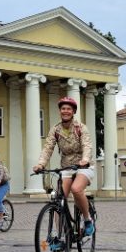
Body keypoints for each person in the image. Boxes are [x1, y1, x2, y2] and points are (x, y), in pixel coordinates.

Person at [33, 97, 96, 237]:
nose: (65, 111)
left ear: (73, 111)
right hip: (67, 167)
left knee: (76, 189)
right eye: (63, 109)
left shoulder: (81, 128)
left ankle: (87, 220)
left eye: (68, 109)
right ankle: (60, 236)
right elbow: (48, 148)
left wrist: (85, 159)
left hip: (83, 166)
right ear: (60, 111)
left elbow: (87, 145)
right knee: (58, 199)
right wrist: (40, 164)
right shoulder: (55, 129)